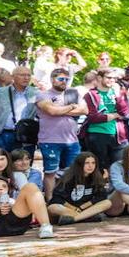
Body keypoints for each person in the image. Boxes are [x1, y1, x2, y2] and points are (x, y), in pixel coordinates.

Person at [35, 67, 87, 199]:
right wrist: (71, 107)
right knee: (51, 172)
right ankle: (51, 201)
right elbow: (51, 111)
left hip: (72, 140)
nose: (64, 81)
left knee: (72, 172)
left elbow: (85, 110)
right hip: (50, 140)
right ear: (53, 79)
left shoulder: (73, 94)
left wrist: (61, 109)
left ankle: (68, 199)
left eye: (66, 79)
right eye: (60, 79)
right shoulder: (43, 95)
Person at [0, 173, 54, 243]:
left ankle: (46, 227)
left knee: (30, 186)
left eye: (4, 186)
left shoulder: (12, 200)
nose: (0, 188)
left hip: (15, 225)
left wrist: (12, 205)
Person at [0, 65, 38, 154]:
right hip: (1, 134)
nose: (26, 78)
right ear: (13, 76)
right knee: (2, 165)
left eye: (29, 75)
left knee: (23, 165)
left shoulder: (36, 93)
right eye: (22, 75)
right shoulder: (0, 93)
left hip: (26, 136)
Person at [82, 68, 129, 165]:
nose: (112, 80)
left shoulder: (118, 93)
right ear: (99, 78)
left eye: (114, 78)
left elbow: (125, 112)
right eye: (109, 78)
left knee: (119, 167)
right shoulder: (91, 94)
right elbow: (93, 117)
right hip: (97, 134)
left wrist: (118, 96)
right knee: (100, 168)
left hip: (118, 135)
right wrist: (115, 115)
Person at [48, 152, 112, 224]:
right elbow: (57, 198)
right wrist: (74, 208)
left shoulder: (97, 177)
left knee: (107, 203)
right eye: (87, 163)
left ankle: (74, 219)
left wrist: (83, 207)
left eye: (93, 163)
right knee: (53, 207)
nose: (90, 166)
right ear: (80, 164)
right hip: (68, 208)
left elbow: (101, 196)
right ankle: (87, 217)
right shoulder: (68, 177)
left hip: (86, 208)